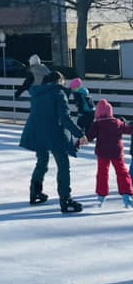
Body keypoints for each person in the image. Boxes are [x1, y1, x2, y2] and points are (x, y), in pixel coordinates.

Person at [19, 71, 85, 212]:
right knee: (63, 165)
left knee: (42, 162)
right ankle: (65, 200)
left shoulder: (37, 93)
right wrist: (79, 134)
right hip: (53, 134)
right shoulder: (58, 94)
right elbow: (65, 119)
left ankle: (35, 192)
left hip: (36, 132)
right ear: (60, 81)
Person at [86, 99, 133, 208]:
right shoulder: (117, 122)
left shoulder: (97, 124)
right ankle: (127, 195)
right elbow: (129, 129)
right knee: (122, 172)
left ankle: (101, 195)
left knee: (103, 173)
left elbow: (89, 137)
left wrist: (78, 142)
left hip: (103, 153)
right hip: (117, 152)